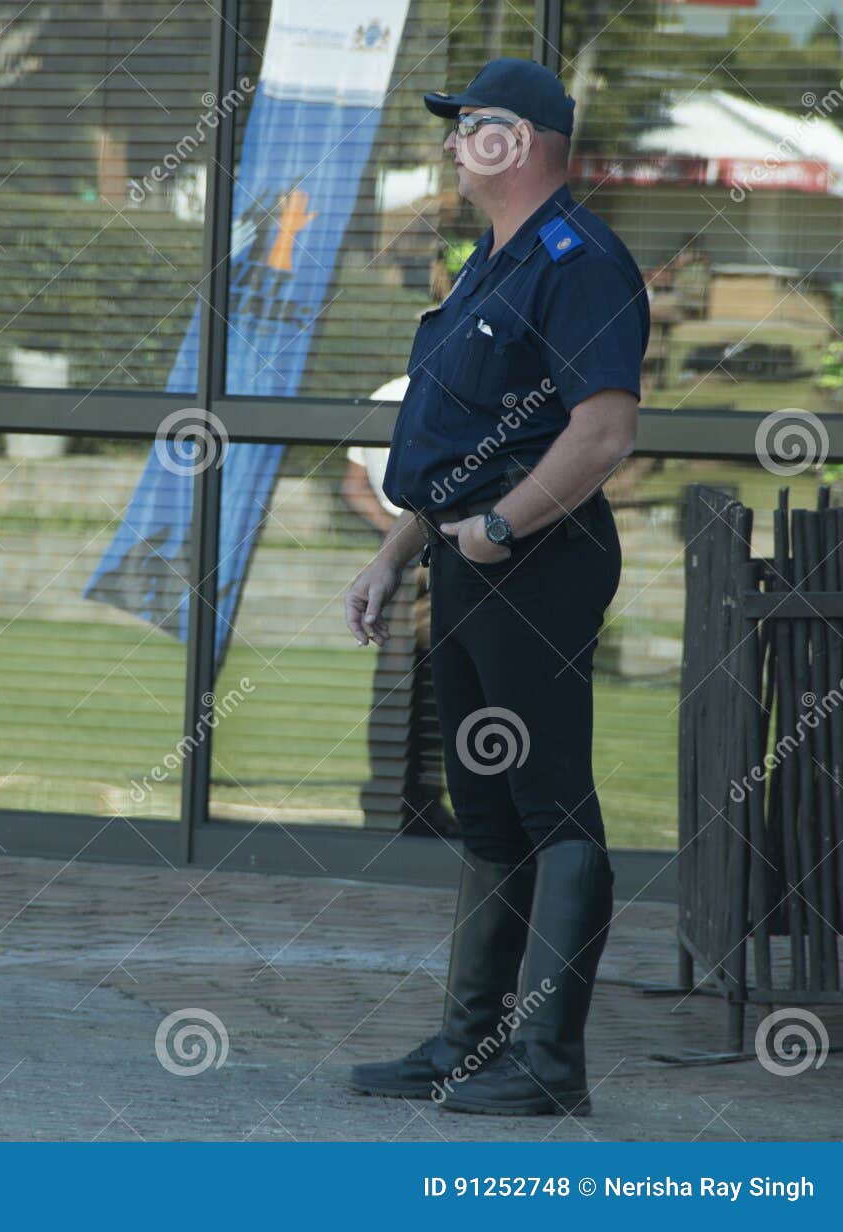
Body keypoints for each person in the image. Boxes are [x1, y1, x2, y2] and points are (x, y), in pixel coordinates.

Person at [342, 58, 648, 1117]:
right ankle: (469, 1044)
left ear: (514, 142)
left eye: (465, 126)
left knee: (551, 803)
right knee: (486, 814)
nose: (446, 143)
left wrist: (506, 524)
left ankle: (549, 1066)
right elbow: (463, 441)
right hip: (463, 564)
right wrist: (393, 551)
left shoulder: (577, 259)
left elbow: (603, 429)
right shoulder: (493, 261)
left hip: (538, 566)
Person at [342, 375, 453, 838]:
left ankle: (399, 800)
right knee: (429, 681)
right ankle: (413, 804)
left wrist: (389, 534)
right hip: (432, 548)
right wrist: (402, 537)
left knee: (402, 680)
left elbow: (353, 486)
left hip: (402, 547)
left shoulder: (382, 392)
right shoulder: (449, 391)